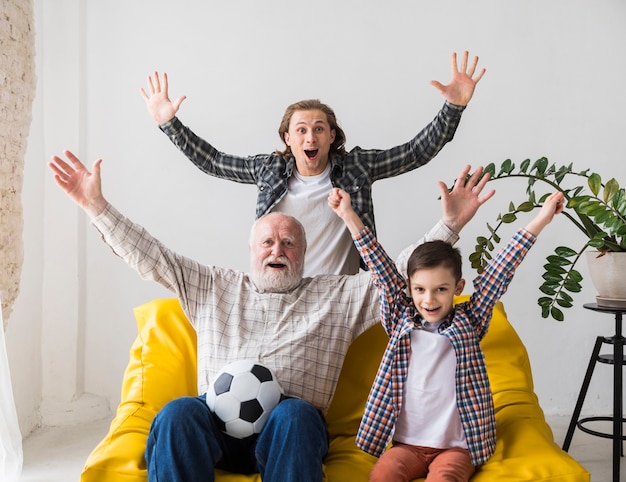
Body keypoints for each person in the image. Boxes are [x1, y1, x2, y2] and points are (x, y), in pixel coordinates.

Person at [47, 150, 492, 482]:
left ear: (305, 253)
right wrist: (95, 207)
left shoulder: (338, 295)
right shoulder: (213, 286)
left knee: (295, 416)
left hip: (289, 432)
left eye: (289, 243)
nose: (277, 249)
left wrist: (449, 227)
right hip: (214, 427)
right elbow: (151, 255)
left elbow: (401, 275)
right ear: (251, 250)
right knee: (176, 412)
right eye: (267, 242)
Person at [140, 51, 486, 276]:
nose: (310, 138)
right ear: (287, 139)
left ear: (332, 136)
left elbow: (415, 152)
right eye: (301, 130)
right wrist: (170, 123)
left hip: (341, 294)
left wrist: (453, 107)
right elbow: (214, 161)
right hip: (280, 287)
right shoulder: (269, 171)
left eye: (319, 129)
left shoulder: (356, 169)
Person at [328, 186, 564, 482]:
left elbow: (502, 269)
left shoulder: (470, 321)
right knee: (380, 477)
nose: (429, 300)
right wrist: (347, 213)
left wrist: (541, 219)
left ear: (458, 288)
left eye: (441, 289)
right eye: (420, 290)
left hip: (457, 447)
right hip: (406, 445)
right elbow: (378, 265)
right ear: (409, 289)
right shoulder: (400, 318)